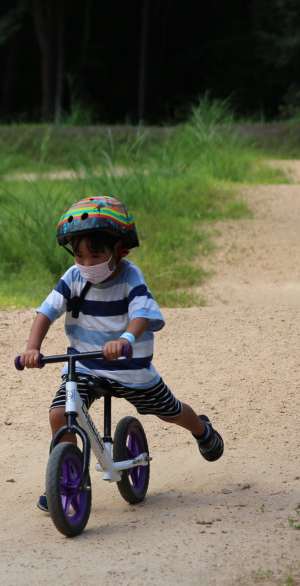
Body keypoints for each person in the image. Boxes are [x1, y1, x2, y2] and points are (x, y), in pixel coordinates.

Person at [19, 196, 224, 512]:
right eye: (79, 255)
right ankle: (64, 479)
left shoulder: (130, 276)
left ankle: (202, 429)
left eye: (96, 255)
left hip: (130, 369)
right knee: (59, 414)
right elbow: (47, 312)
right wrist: (33, 348)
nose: (87, 264)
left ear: (120, 249)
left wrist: (126, 339)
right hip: (85, 367)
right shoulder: (73, 278)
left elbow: (142, 314)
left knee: (169, 410)